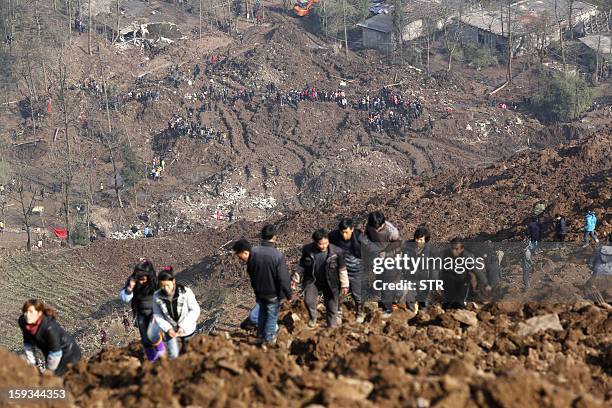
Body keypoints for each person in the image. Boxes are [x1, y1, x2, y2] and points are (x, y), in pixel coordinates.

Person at [232, 227, 291, 345]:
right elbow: (283, 277)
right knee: (270, 317)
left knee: (262, 316)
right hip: (273, 293)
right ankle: (269, 341)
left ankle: (263, 338)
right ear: (274, 237)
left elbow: (252, 274)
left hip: (260, 293)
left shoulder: (253, 253)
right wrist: (288, 293)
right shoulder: (277, 255)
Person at [294, 229, 349, 329]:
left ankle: (331, 327)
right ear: (315, 242)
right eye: (321, 244)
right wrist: (295, 278)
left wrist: (345, 284)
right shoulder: (308, 250)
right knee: (308, 301)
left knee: (332, 307)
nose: (324, 246)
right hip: (313, 280)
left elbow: (342, 269)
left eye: (326, 243)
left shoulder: (337, 252)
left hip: (331, 282)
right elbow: (302, 265)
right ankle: (313, 317)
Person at [18, 299, 82, 376]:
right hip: (50, 352)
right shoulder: (23, 322)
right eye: (25, 311)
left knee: (55, 378)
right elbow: (28, 343)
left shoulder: (49, 328)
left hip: (68, 353)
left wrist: (48, 373)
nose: (27, 315)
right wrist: (33, 364)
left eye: (31, 312)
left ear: (39, 313)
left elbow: (56, 353)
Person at [119, 259, 165, 361]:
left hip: (154, 311)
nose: (141, 282)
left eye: (143, 279)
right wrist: (129, 289)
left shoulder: (155, 283)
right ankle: (151, 359)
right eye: (139, 279)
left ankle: (162, 355)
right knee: (145, 338)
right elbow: (124, 298)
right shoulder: (132, 281)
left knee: (153, 335)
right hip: (140, 312)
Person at [152, 267, 201, 359]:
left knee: (190, 353)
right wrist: (168, 328)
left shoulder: (185, 292)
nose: (165, 288)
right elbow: (157, 314)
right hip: (170, 329)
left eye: (167, 285)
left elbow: (195, 309)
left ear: (173, 281)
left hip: (187, 328)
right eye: (162, 285)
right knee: (174, 355)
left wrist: (183, 326)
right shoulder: (157, 296)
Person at [361, 211, 402, 318]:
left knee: (387, 285)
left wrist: (385, 250)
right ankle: (387, 305)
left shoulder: (391, 230)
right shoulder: (370, 226)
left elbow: (398, 243)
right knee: (380, 282)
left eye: (379, 227)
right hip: (377, 259)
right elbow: (367, 237)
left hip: (391, 259)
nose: (377, 229)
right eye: (375, 227)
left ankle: (388, 309)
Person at [328, 218, 365, 323]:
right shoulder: (333, 236)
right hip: (341, 269)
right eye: (342, 232)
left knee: (358, 294)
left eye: (346, 232)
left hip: (357, 270)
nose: (344, 235)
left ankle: (360, 313)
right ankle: (337, 314)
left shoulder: (360, 237)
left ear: (352, 229)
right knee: (339, 293)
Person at [440, 238, 484, 309]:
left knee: (459, 303)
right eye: (452, 248)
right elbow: (441, 270)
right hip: (451, 280)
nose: (453, 251)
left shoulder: (467, 256)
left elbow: (477, 271)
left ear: (461, 249)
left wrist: (484, 283)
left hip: (464, 281)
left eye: (456, 249)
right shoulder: (446, 255)